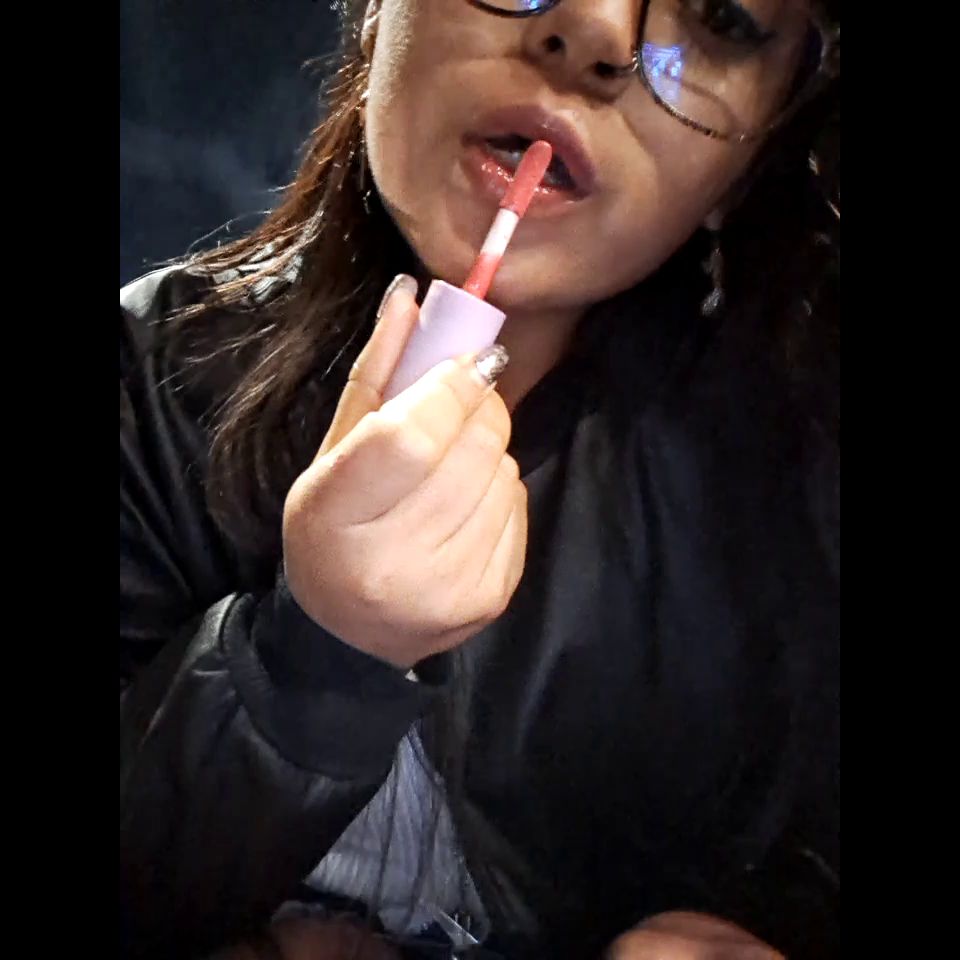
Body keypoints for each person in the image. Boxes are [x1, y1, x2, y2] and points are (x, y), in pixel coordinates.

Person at [120, 1, 840, 957]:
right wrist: (318, 656)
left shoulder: (790, 478)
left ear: (751, 159)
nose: (596, 30)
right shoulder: (148, 383)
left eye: (722, 17)